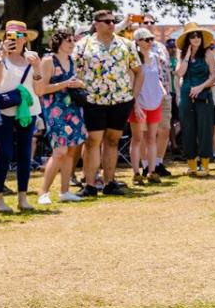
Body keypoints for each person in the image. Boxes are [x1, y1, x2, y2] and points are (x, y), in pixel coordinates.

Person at [75, 10, 142, 196]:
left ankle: (109, 182)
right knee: (93, 141)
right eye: (106, 21)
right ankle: (89, 184)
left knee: (112, 140)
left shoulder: (126, 44)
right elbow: (75, 71)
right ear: (96, 24)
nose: (112, 24)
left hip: (120, 100)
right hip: (93, 99)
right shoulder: (83, 45)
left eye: (113, 21)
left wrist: (133, 97)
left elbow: (139, 71)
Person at [0, 21, 42, 213]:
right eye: (10, 36)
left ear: (26, 38)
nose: (15, 40)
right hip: (2, 109)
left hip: (27, 110)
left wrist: (36, 69)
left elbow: (39, 90)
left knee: (25, 154)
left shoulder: (33, 58)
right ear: (4, 38)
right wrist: (2, 57)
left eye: (20, 36)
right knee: (5, 152)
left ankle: (22, 197)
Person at [35, 28, 87, 204]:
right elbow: (41, 89)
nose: (73, 43)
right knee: (60, 151)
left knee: (71, 150)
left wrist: (79, 84)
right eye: (69, 40)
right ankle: (43, 192)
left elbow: (74, 84)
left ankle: (65, 191)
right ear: (59, 42)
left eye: (73, 40)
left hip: (71, 108)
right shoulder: (49, 61)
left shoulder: (72, 60)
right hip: (54, 110)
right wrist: (66, 83)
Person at [174, 22, 215, 176]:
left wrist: (201, 87)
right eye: (192, 36)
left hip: (204, 94)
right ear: (188, 39)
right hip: (186, 95)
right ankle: (191, 165)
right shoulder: (181, 54)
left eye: (198, 35)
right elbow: (179, 74)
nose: (196, 38)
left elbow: (214, 76)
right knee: (188, 129)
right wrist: (186, 56)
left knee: (205, 130)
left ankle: (205, 165)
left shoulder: (208, 53)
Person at [126, 27, 166, 184]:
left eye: (152, 39)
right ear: (138, 41)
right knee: (137, 138)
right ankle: (136, 173)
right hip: (139, 102)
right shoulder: (133, 59)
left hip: (155, 101)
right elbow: (131, 82)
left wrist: (162, 93)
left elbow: (158, 78)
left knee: (152, 138)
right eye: (146, 39)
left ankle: (152, 171)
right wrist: (134, 104)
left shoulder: (155, 57)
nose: (150, 42)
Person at [140, 15, 174, 177]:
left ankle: (158, 162)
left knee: (165, 129)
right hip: (143, 95)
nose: (149, 25)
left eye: (152, 23)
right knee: (145, 133)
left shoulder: (160, 47)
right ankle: (146, 164)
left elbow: (165, 66)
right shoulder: (135, 47)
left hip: (163, 93)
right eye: (145, 22)